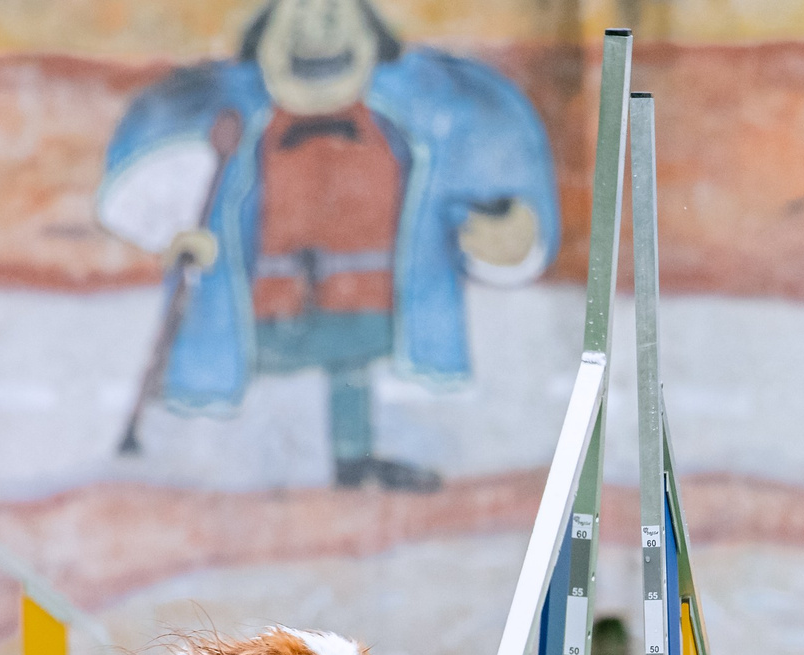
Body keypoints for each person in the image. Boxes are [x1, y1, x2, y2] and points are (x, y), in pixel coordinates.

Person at [97, 0, 557, 491]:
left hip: (364, 299)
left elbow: (460, 199)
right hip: (270, 304)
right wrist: (187, 236)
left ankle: (351, 461)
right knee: (269, 377)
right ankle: (263, 472)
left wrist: (504, 232)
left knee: (350, 373)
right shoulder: (239, 131)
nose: (319, 26)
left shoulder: (408, 134)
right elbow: (183, 196)